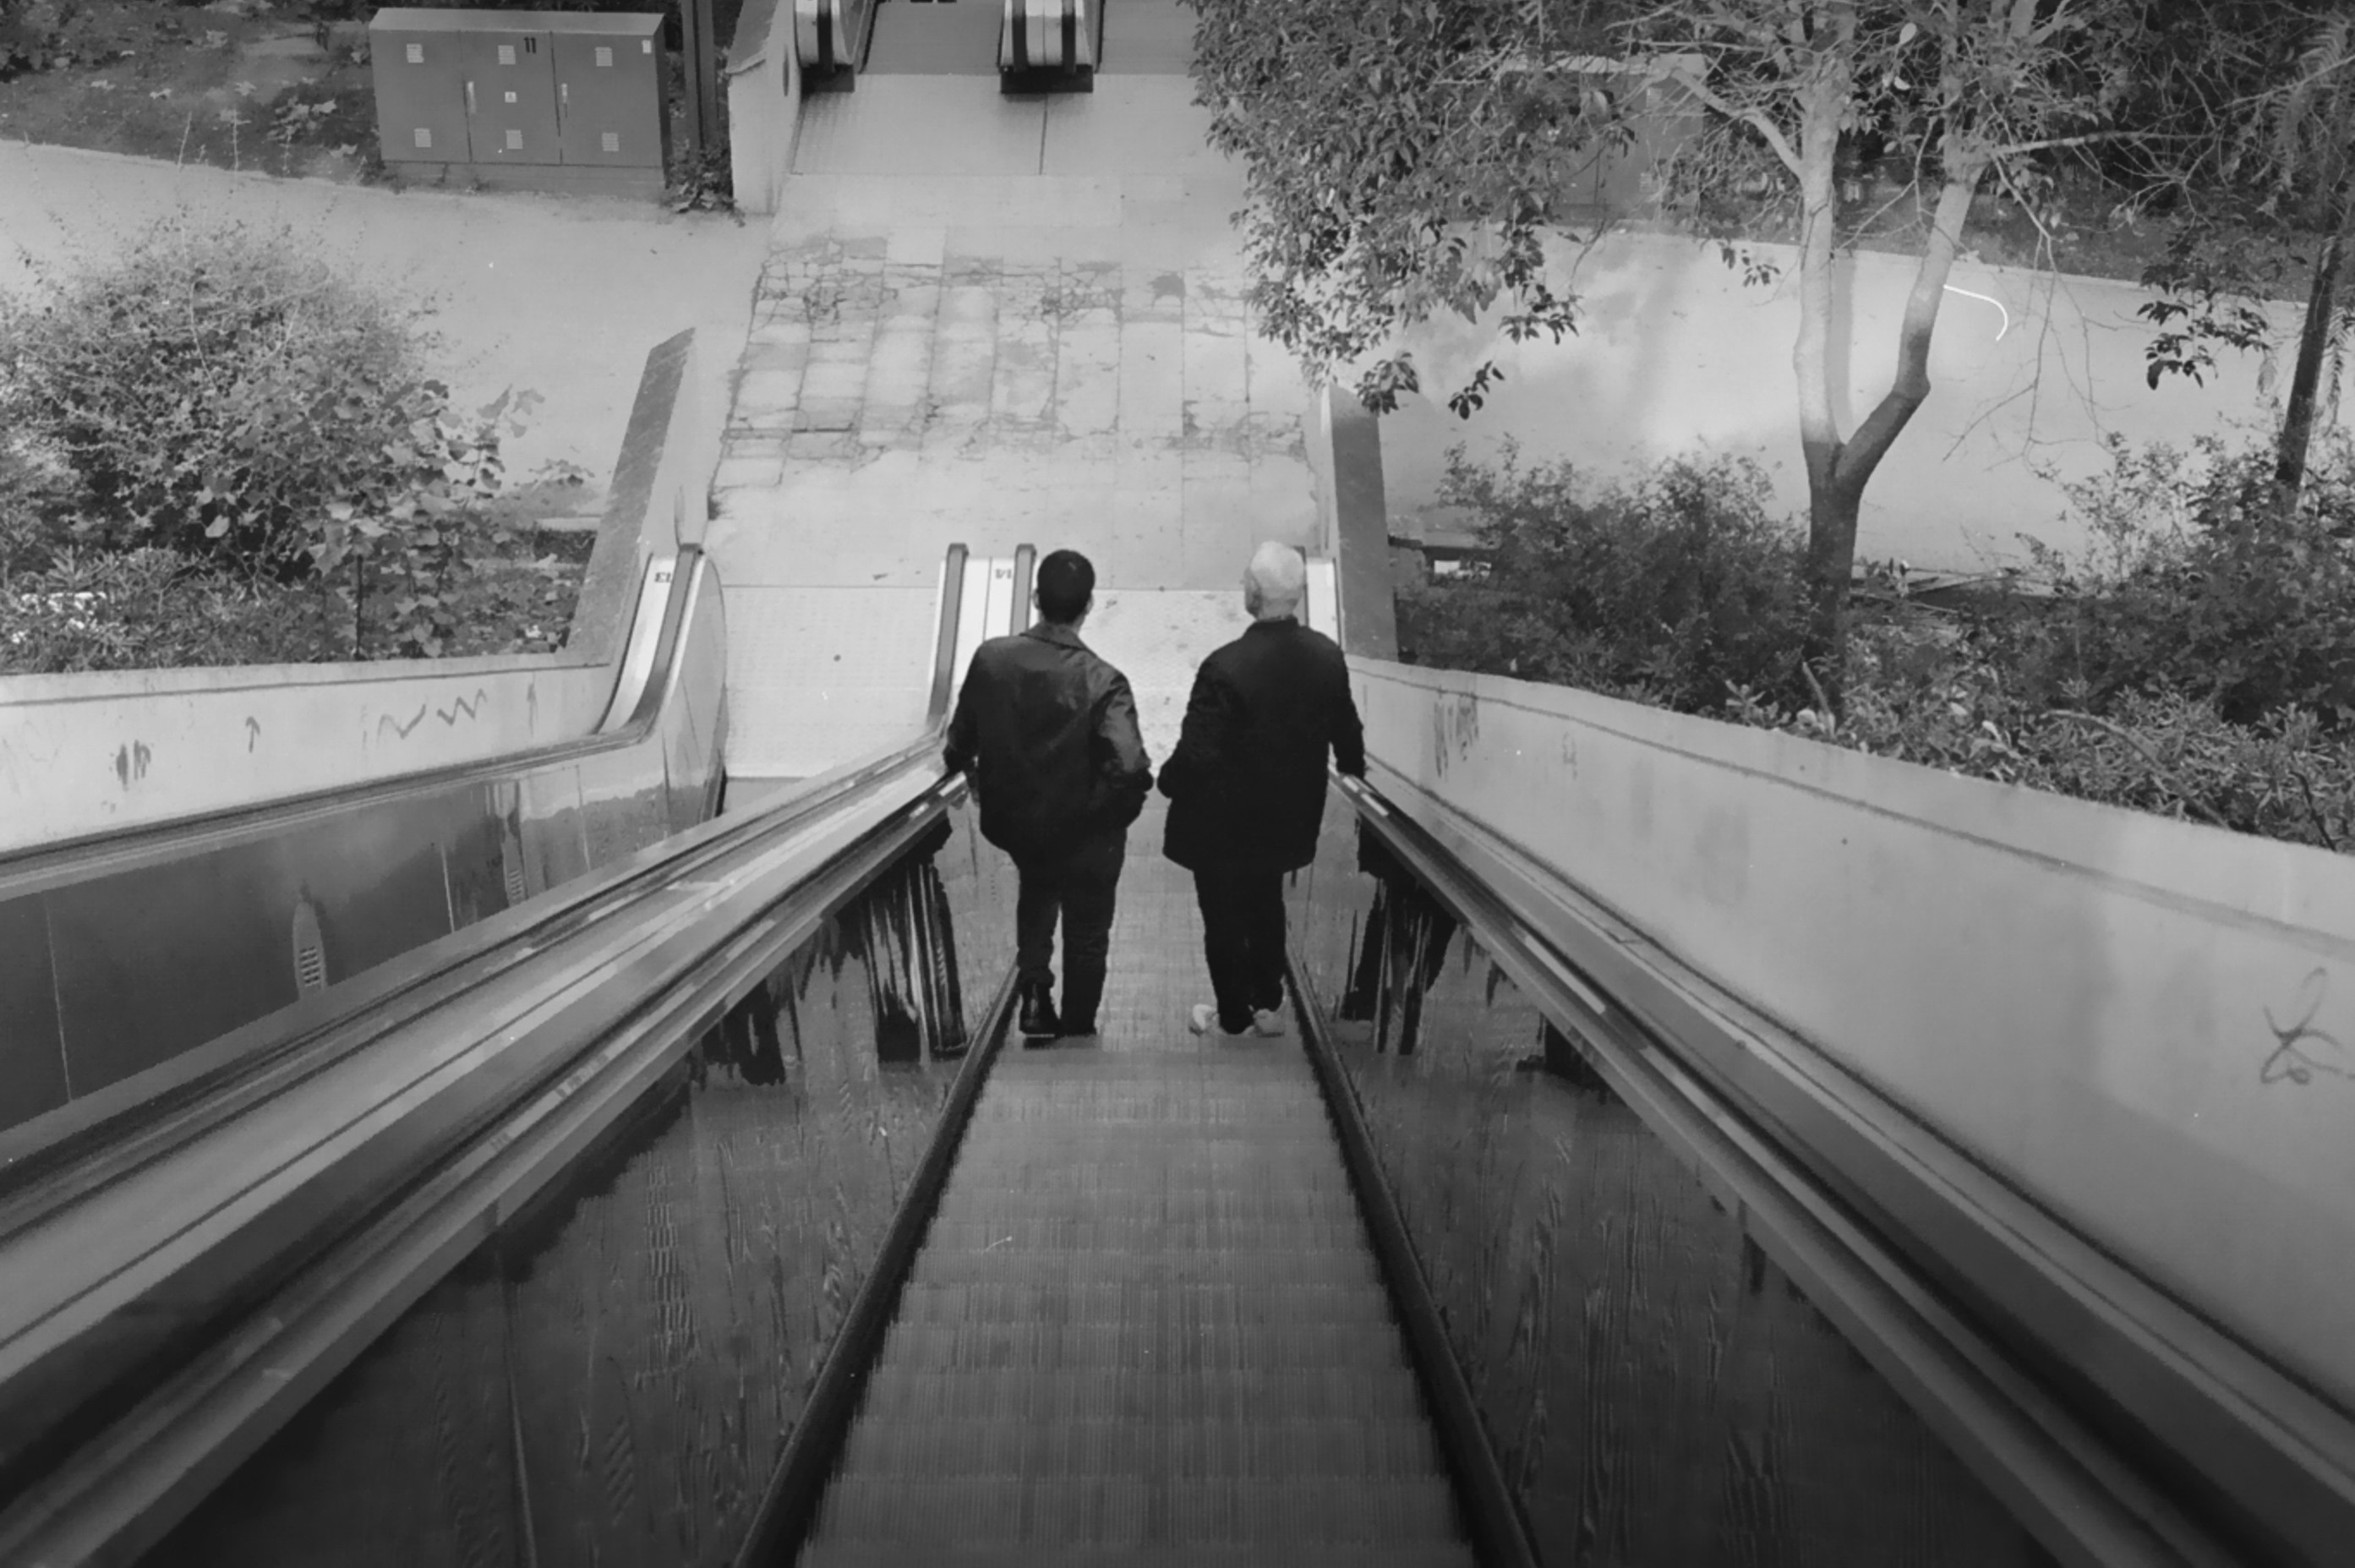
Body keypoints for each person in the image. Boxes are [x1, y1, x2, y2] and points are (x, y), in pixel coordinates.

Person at [1159, 541, 1366, 1037]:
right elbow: (1347, 731)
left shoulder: (1224, 666)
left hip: (1222, 823)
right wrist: (1356, 774)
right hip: (1289, 818)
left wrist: (1165, 783)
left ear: (1253, 591)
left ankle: (1232, 1012)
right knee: (1267, 900)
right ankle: (1268, 1002)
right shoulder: (1325, 655)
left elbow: (1198, 753)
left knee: (1224, 915)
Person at [944, 549, 1151, 1041]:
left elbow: (959, 742)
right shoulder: (1104, 680)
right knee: (1088, 929)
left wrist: (974, 781)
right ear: (1089, 606)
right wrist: (1103, 816)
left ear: (1035, 598)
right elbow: (1131, 766)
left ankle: (1035, 998)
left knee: (1036, 887)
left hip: (1019, 825)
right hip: (1085, 834)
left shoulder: (991, 659)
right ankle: (1078, 1024)